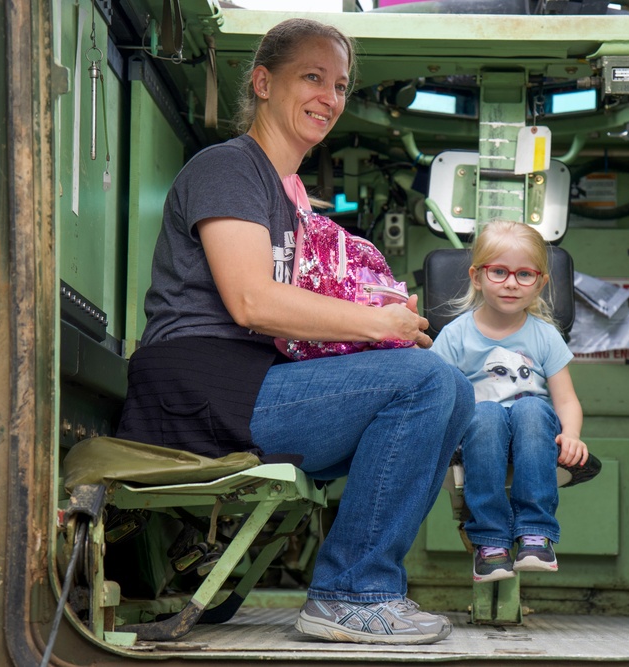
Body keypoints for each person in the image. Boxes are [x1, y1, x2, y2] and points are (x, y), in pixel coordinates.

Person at [115, 18, 474, 645]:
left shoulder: (290, 194)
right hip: (198, 387)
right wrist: (374, 323)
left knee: (453, 392)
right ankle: (349, 594)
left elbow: (297, 310)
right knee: (425, 383)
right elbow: (253, 300)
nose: (329, 98)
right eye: (311, 77)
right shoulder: (228, 167)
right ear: (261, 82)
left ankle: (362, 586)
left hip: (255, 382)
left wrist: (385, 325)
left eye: (339, 85)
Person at [431, 220, 588, 583]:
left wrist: (573, 434)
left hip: (532, 432)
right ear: (477, 276)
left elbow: (566, 400)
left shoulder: (545, 337)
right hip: (477, 434)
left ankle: (536, 534)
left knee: (532, 408)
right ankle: (491, 543)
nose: (511, 283)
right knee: (484, 413)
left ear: (541, 283)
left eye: (524, 274)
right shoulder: (455, 336)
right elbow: (437, 393)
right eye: (499, 272)